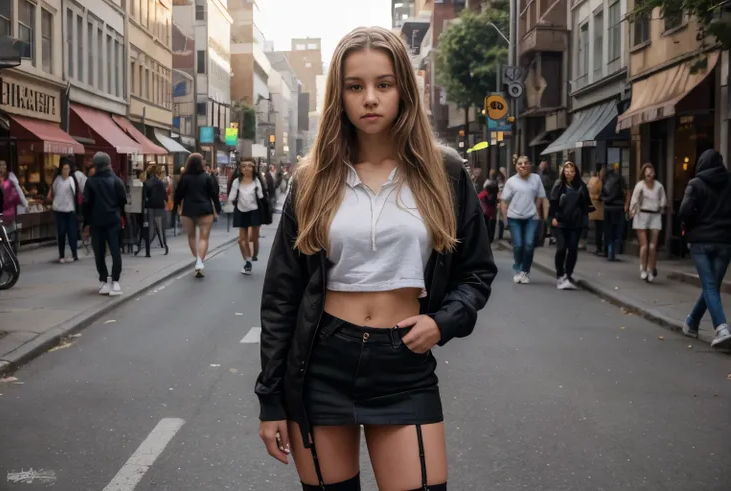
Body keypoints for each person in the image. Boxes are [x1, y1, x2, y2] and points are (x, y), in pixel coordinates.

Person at [256, 26, 496, 491]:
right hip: (321, 362)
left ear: (404, 89)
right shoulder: (312, 179)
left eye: (383, 85)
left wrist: (443, 322)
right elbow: (282, 294)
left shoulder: (443, 173)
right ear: (339, 96)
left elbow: (477, 271)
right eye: (355, 86)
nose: (370, 98)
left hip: (403, 365)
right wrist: (271, 399)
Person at [679, 149, 731, 348]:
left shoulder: (695, 184)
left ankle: (721, 327)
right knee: (712, 286)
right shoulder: (729, 182)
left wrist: (689, 226)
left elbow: (684, 211)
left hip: (701, 241)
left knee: (709, 285)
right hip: (725, 241)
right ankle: (692, 322)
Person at [82, 152, 127, 296]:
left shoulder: (90, 181)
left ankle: (104, 280)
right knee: (115, 251)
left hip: (96, 221)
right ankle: (115, 281)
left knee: (99, 252)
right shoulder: (116, 181)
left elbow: (86, 204)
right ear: (109, 164)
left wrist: (86, 223)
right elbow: (123, 201)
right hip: (113, 220)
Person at [173, 153, 220, 278]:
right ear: (201, 163)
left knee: (191, 236)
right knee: (204, 238)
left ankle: (198, 260)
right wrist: (218, 208)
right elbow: (214, 194)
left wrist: (175, 208)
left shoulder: (185, 178)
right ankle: (200, 262)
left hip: (188, 210)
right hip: (205, 210)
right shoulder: (207, 177)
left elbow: (178, 195)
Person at [500, 156, 546, 284]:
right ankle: (518, 269)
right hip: (514, 217)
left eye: (526, 163)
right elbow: (504, 202)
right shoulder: (511, 182)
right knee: (519, 245)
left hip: (532, 217)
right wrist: (506, 221)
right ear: (516, 167)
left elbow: (540, 196)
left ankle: (525, 271)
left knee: (529, 244)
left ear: (530, 165)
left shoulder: (536, 179)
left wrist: (539, 212)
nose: (523, 165)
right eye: (520, 163)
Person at [549, 161, 593, 290]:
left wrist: (585, 220)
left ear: (576, 172)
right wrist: (552, 218)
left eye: (572, 170)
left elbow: (585, 205)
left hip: (575, 222)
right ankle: (560, 274)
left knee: (573, 248)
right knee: (562, 247)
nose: (569, 172)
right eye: (566, 169)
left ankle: (568, 274)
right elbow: (553, 203)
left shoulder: (581, 186)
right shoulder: (558, 185)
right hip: (560, 222)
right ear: (563, 171)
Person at [629, 163, 667, 282]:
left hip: (655, 215)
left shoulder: (659, 186)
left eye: (651, 173)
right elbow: (634, 200)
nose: (649, 175)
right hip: (642, 215)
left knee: (652, 246)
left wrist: (661, 206)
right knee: (644, 245)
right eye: (647, 173)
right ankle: (643, 268)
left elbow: (663, 200)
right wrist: (632, 210)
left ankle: (652, 268)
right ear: (644, 174)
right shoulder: (640, 186)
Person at [228, 160, 264, 274]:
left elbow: (261, 197)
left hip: (254, 211)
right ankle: (248, 262)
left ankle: (255, 255)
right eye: (243, 166)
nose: (246, 168)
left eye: (249, 166)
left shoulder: (256, 181)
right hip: (241, 211)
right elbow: (231, 197)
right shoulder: (236, 182)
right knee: (242, 241)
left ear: (253, 168)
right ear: (240, 168)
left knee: (253, 238)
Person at [47, 158, 80, 263]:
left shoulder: (71, 180)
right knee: (61, 233)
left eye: (67, 169)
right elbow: (53, 192)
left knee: (72, 233)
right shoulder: (57, 180)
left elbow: (76, 194)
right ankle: (61, 255)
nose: (66, 171)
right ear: (61, 170)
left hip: (70, 210)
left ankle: (74, 254)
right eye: (64, 169)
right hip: (59, 210)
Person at [601, 162, 627, 261]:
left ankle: (609, 251)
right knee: (617, 229)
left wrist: (604, 200)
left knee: (608, 229)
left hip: (608, 207)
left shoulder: (606, 180)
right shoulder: (621, 179)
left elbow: (602, 194)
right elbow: (624, 191)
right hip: (619, 207)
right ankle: (615, 249)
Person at [587, 167, 605, 256]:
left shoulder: (590, 181)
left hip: (593, 206)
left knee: (596, 228)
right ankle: (599, 247)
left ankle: (596, 246)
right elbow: (600, 193)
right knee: (600, 229)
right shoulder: (598, 182)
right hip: (599, 207)